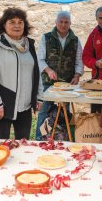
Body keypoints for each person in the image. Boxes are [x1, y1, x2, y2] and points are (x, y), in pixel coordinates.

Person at [0, 7, 42, 140]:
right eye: (12, 22)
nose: (17, 25)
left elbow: (36, 71)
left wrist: (39, 96)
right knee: (0, 145)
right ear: (4, 25)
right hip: (4, 105)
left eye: (20, 22)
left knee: (23, 144)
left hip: (25, 106)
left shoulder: (29, 44)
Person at [35, 11, 84, 140]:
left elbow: (79, 61)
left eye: (66, 22)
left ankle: (62, 138)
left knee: (64, 112)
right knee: (44, 110)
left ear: (70, 24)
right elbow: (40, 59)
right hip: (48, 83)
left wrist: (77, 75)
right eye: (61, 22)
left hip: (67, 84)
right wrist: (49, 70)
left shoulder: (75, 40)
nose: (63, 24)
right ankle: (40, 138)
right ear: (56, 23)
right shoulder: (46, 38)